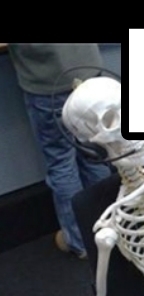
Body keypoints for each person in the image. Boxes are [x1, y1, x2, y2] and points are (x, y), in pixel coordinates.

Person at [8, 43, 112, 259]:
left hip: (49, 83)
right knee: (95, 153)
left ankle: (80, 241)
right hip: (88, 70)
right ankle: (111, 227)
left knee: (61, 162)